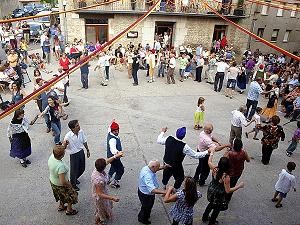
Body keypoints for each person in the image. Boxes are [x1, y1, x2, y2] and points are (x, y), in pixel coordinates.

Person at [202, 152, 244, 225]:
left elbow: (209, 161)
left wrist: (212, 153)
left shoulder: (215, 169)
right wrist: (239, 186)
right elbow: (228, 191)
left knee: (211, 204)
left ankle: (205, 217)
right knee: (216, 209)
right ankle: (211, 222)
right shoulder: (226, 177)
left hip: (212, 190)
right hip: (219, 195)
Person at [91, 152, 124, 225]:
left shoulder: (96, 169)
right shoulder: (98, 180)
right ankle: (97, 222)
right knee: (100, 210)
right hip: (100, 197)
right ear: (104, 167)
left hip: (103, 192)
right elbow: (99, 194)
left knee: (102, 208)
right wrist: (112, 198)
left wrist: (115, 156)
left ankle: (100, 219)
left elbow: (106, 161)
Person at [48, 145, 78, 216]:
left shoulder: (52, 156)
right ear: (61, 156)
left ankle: (61, 206)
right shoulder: (60, 166)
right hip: (60, 185)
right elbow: (63, 181)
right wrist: (70, 185)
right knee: (71, 195)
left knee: (60, 195)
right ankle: (69, 210)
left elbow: (57, 151)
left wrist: (64, 145)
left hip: (53, 182)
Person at [63, 120, 90, 191]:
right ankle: (73, 184)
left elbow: (84, 140)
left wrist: (87, 150)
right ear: (72, 129)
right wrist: (65, 143)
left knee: (82, 168)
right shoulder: (68, 136)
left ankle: (74, 179)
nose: (79, 126)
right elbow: (63, 147)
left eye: (78, 125)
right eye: (77, 126)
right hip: (74, 154)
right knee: (74, 170)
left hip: (81, 151)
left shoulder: (81, 132)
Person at [138, 160, 168, 224]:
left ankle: (145, 215)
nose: (157, 170)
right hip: (146, 195)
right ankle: (143, 219)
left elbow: (155, 169)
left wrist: (163, 167)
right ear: (153, 167)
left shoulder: (147, 167)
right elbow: (153, 190)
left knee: (146, 206)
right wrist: (165, 192)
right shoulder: (147, 176)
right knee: (146, 207)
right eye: (157, 168)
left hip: (143, 192)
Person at [107, 121, 124, 188]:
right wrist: (118, 153)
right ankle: (114, 182)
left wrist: (112, 122)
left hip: (110, 156)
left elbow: (109, 127)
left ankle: (107, 179)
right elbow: (113, 149)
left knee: (113, 167)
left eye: (117, 130)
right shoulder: (112, 140)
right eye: (115, 131)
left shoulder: (109, 132)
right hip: (114, 157)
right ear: (112, 131)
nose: (117, 132)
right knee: (120, 170)